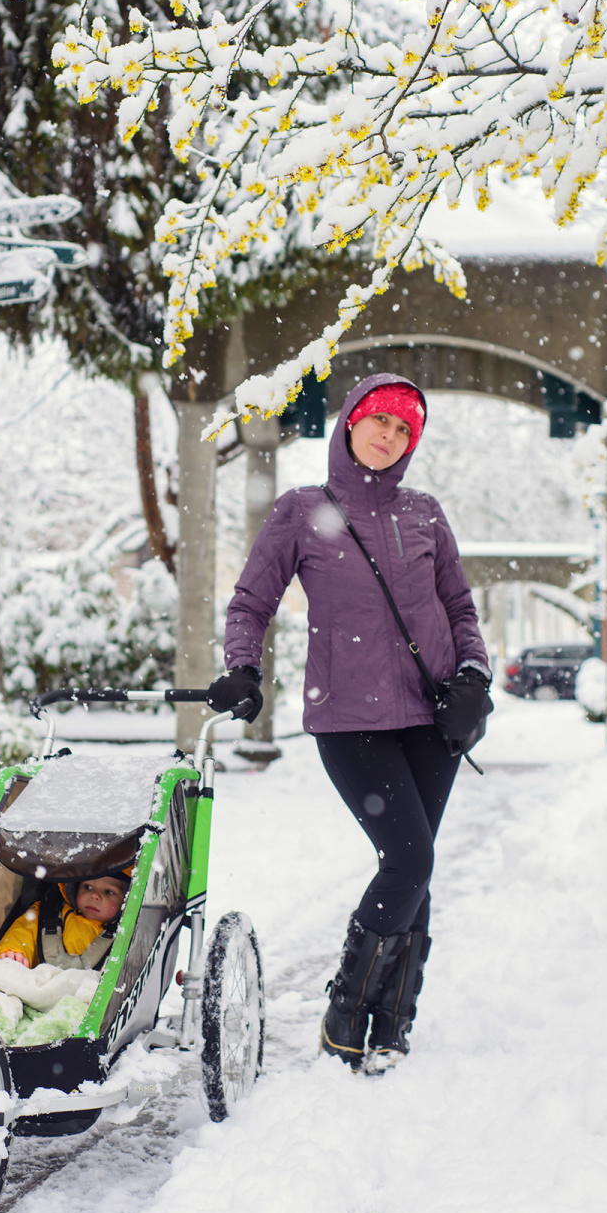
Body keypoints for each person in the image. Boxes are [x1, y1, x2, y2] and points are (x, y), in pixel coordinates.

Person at [207, 373, 491, 1073]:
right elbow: (250, 604)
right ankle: (346, 1013)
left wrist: (474, 676)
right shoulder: (304, 510)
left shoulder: (424, 512)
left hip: (432, 718)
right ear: (350, 424)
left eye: (403, 430)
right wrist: (244, 668)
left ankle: (392, 1027)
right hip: (349, 719)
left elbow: (460, 608)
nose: (389, 436)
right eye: (379, 422)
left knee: (413, 870)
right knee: (410, 861)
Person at [0, 872, 131, 971]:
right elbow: (22, 932)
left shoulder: (127, 933)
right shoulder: (48, 912)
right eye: (87, 887)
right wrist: (14, 952)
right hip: (40, 986)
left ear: (125, 901)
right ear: (75, 889)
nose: (94, 895)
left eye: (109, 892)